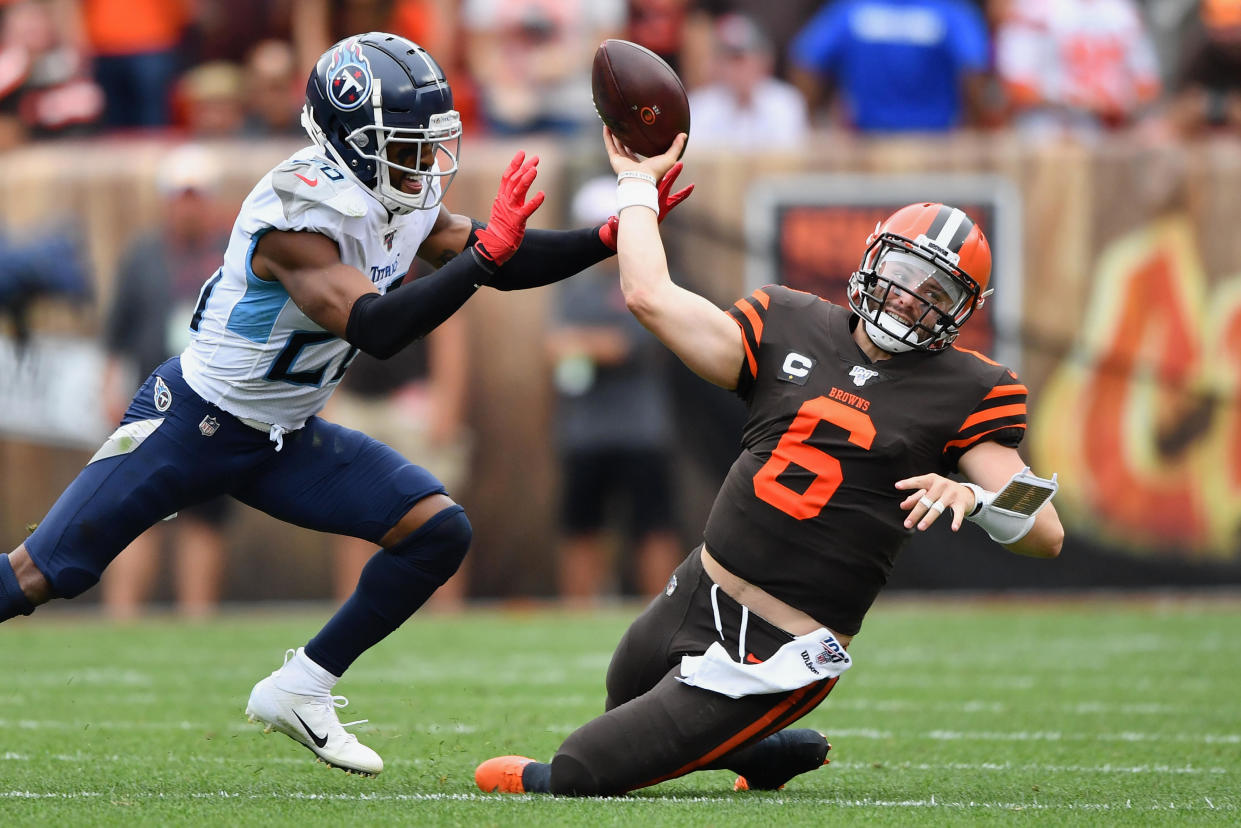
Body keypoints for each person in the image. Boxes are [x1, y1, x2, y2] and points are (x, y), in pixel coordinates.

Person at [0, 32, 689, 778]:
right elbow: (376, 326)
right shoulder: (298, 211)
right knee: (44, 574)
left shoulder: (395, 192)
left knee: (435, 532)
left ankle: (301, 687)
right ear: (347, 139)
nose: (424, 162)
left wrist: (608, 236)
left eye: (426, 143)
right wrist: (484, 257)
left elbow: (496, 253)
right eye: (404, 144)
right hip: (194, 421)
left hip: (282, 434)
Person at [475, 128, 1064, 796]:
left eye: (935, 292)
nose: (908, 298)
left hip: (782, 650)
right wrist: (636, 184)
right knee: (625, 695)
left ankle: (744, 732)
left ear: (960, 312)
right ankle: (755, 753)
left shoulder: (965, 389)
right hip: (698, 587)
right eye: (904, 274)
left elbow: (1045, 533)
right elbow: (649, 297)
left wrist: (976, 501)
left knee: (578, 771)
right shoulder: (788, 321)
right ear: (874, 259)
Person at [98, 144, 235, 620]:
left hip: (214, 406)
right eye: (180, 196)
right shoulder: (142, 257)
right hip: (149, 405)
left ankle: (197, 620)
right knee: (135, 517)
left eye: (196, 196)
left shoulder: (234, 255)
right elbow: (116, 333)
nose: (188, 205)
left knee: (203, 520)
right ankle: (121, 622)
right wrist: (110, 391)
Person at [547, 176, 682, 604]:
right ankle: (577, 614)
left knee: (653, 527)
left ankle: (662, 613)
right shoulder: (572, 284)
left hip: (641, 429)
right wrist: (592, 345)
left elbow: (631, 344)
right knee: (580, 527)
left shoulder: (647, 280)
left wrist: (585, 344)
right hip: (584, 431)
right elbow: (553, 346)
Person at [788, 0, 992, 132]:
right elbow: (974, 70)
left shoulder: (853, 10)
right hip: (934, 142)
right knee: (933, 201)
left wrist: (812, 122)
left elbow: (805, 62)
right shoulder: (949, 11)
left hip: (866, 145)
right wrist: (971, 128)